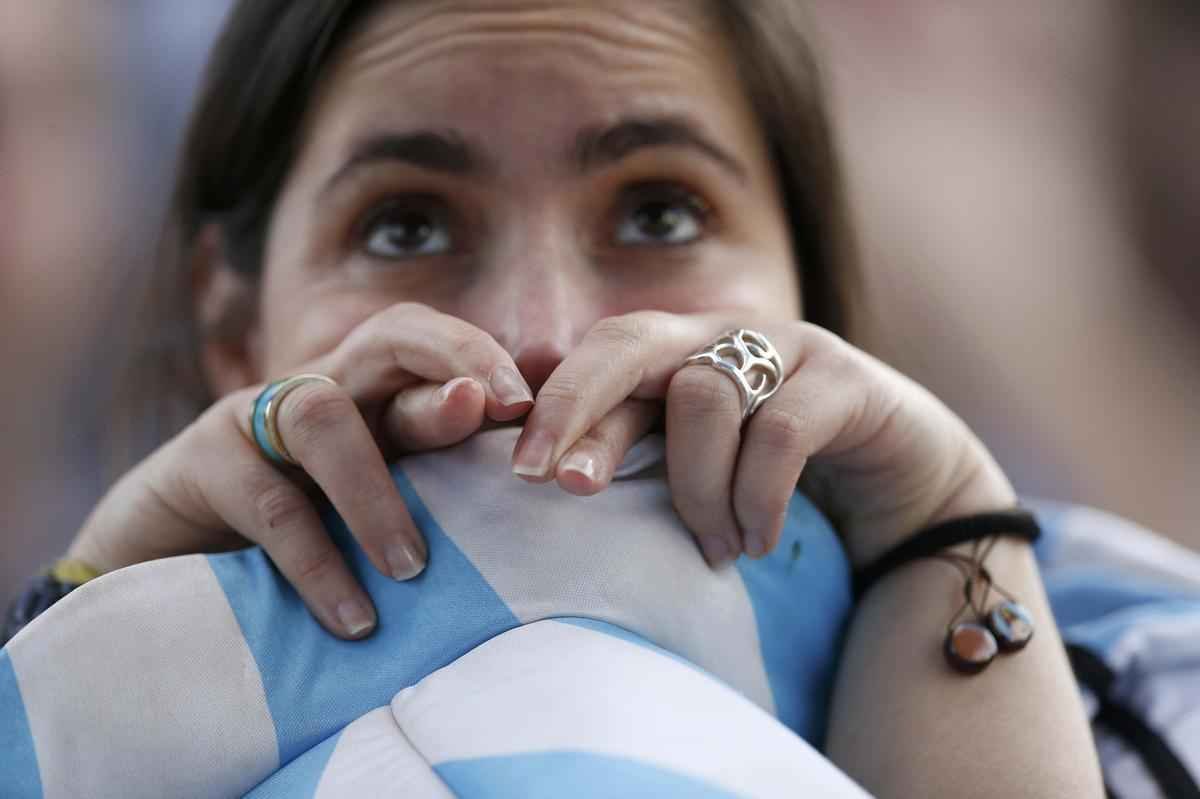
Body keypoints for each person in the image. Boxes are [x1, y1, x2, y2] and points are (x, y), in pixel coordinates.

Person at [1, 1, 1106, 797]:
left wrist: (945, 520)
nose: (543, 334)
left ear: (806, 288)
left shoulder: (1130, 658)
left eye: (660, 213)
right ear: (235, 328)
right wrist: (76, 632)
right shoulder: (101, 653)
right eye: (406, 226)